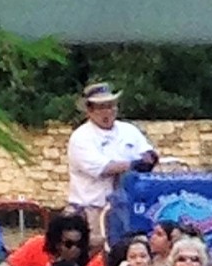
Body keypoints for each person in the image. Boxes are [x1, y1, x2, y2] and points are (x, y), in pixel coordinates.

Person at [65, 82, 157, 245]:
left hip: (127, 208)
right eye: (101, 107)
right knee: (96, 253)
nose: (107, 111)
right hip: (93, 210)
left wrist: (150, 158)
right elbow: (103, 168)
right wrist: (134, 164)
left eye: (111, 106)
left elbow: (147, 152)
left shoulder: (129, 130)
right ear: (90, 110)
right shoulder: (81, 137)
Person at [1, 211, 83, 266]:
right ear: (57, 241)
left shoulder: (83, 261)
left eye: (79, 244)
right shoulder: (38, 244)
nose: (75, 249)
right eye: (69, 244)